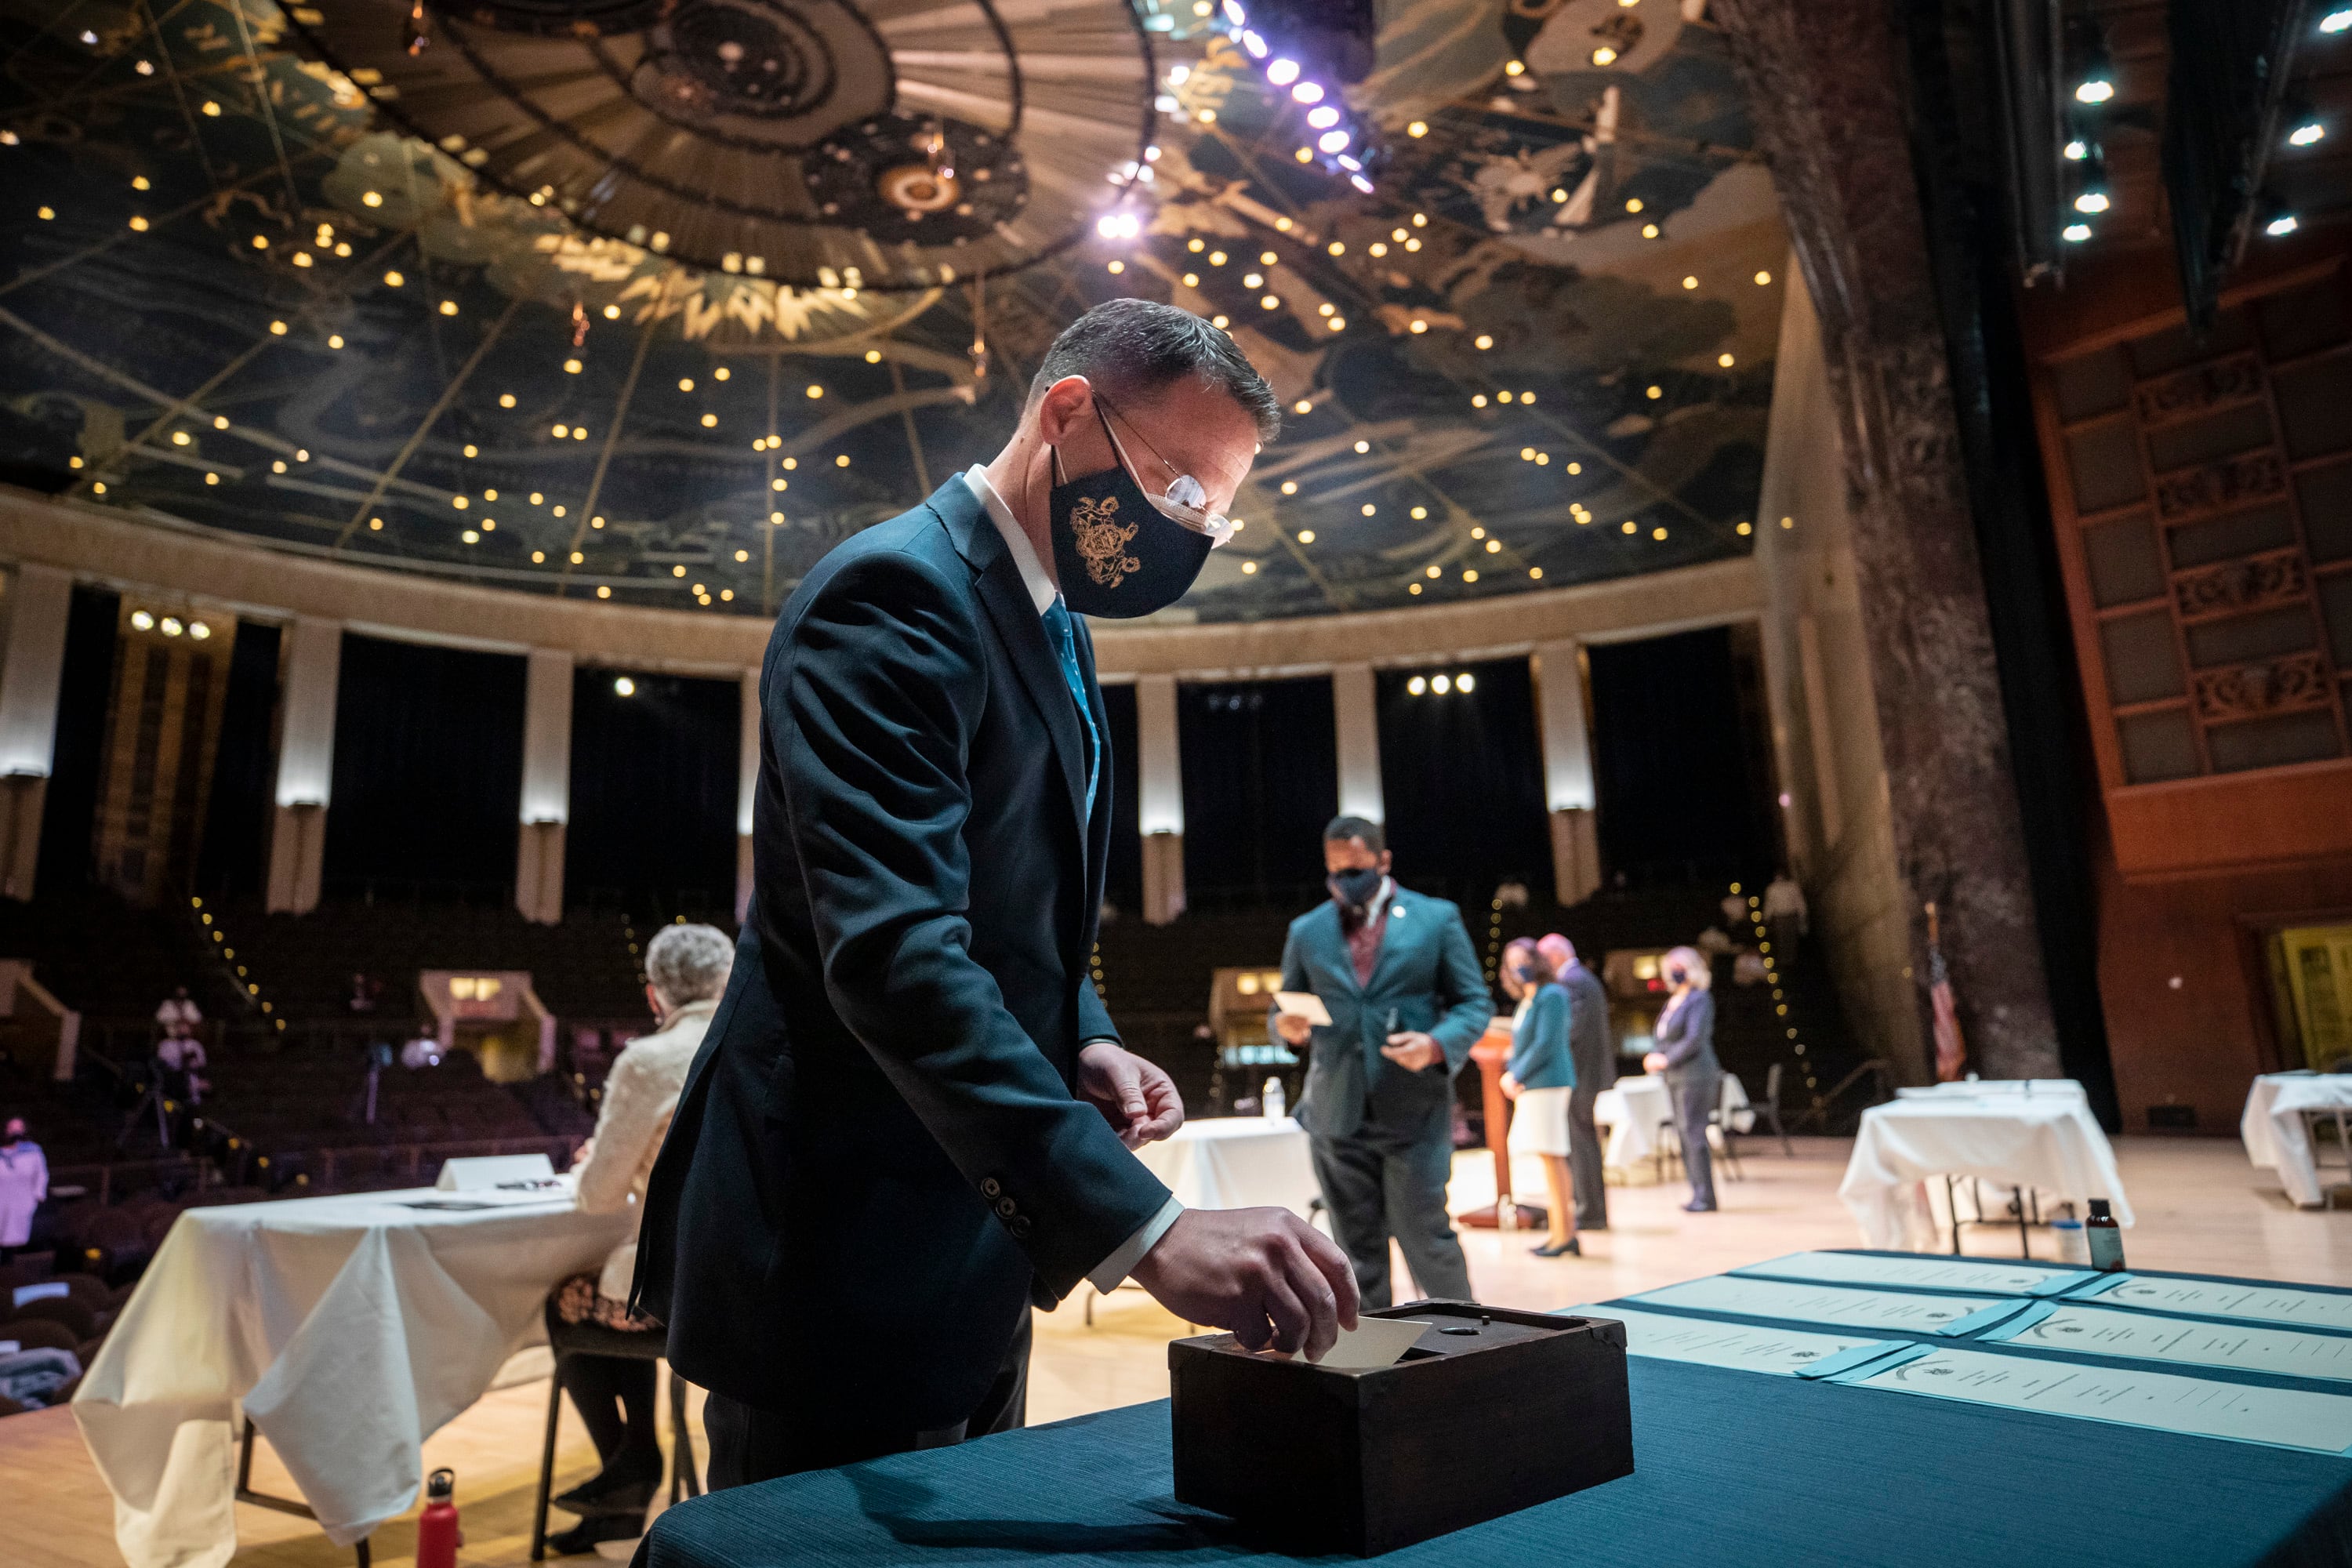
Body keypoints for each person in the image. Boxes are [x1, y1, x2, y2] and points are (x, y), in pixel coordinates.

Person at [635, 300, 1356, 1490]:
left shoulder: (1052, 616)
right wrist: (1153, 1230)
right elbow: (898, 951)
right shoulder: (892, 598)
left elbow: (1009, 910)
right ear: (1066, 413)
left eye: (1211, 517)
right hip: (840, 1254)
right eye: (1180, 490)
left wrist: (1082, 1030)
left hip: (968, 1238)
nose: (1192, 531)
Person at [543, 924, 734, 1555]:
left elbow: (598, 1197)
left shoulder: (649, 1059)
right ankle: (630, 1476)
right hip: (749, 1277)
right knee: (617, 1284)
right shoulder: (756, 1042)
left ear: (656, 997)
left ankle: (635, 1462)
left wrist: (599, 1158)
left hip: (680, 1289)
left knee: (567, 1299)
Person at [1271, 815, 1490, 1308]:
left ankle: (1471, 1348)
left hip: (1413, 1109)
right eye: (1336, 870)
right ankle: (1373, 1366)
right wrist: (1284, 1028)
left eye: (1356, 867)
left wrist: (1436, 1045)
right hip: (1335, 1112)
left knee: (1427, 1238)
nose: (1347, 879)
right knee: (1353, 1254)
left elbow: (1474, 1003)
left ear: (1383, 861)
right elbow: (1284, 1005)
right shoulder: (1307, 930)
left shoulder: (1437, 917)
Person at [1497, 939, 1578, 1258]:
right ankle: (1559, 1232)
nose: (1518, 966)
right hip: (1533, 1084)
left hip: (1549, 1082)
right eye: (1511, 961)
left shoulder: (1553, 994)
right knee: (1547, 1159)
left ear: (1537, 960)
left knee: (1553, 1157)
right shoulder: (1528, 998)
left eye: (1523, 959)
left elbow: (1546, 1043)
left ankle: (1565, 1234)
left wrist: (1515, 1074)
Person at [1539, 933, 1613, 1231]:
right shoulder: (1583, 978)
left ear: (1556, 955)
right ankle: (1589, 1209)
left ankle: (1589, 1211)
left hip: (1580, 1076)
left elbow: (1571, 1031)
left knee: (1581, 1146)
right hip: (1587, 1074)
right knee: (1583, 1144)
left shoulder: (1571, 981)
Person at [1644, 946, 1721, 1213]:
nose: (1674, 973)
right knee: (1683, 1134)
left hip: (1696, 1074)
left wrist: (1666, 1059)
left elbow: (1694, 1039)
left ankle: (1706, 1196)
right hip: (1675, 1077)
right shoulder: (1673, 1000)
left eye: (1679, 968)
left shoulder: (1699, 999)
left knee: (1694, 1132)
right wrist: (1655, 1055)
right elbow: (1664, 1037)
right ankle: (1695, 1191)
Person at [0, 1116, 47, 1262]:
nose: (15, 1133)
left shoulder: (33, 1151)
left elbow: (41, 1174)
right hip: (2, 1200)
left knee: (15, 1237)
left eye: (19, 1129)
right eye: (12, 1129)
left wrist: (38, 1195)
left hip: (23, 1202)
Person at [1763, 869, 1808, 971]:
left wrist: (1802, 914)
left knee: (1792, 937)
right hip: (1780, 917)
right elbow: (1770, 904)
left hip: (1791, 916)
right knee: (1782, 937)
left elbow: (1799, 901)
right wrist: (1766, 917)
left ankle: (1792, 960)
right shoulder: (1772, 889)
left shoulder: (1792, 886)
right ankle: (1784, 961)